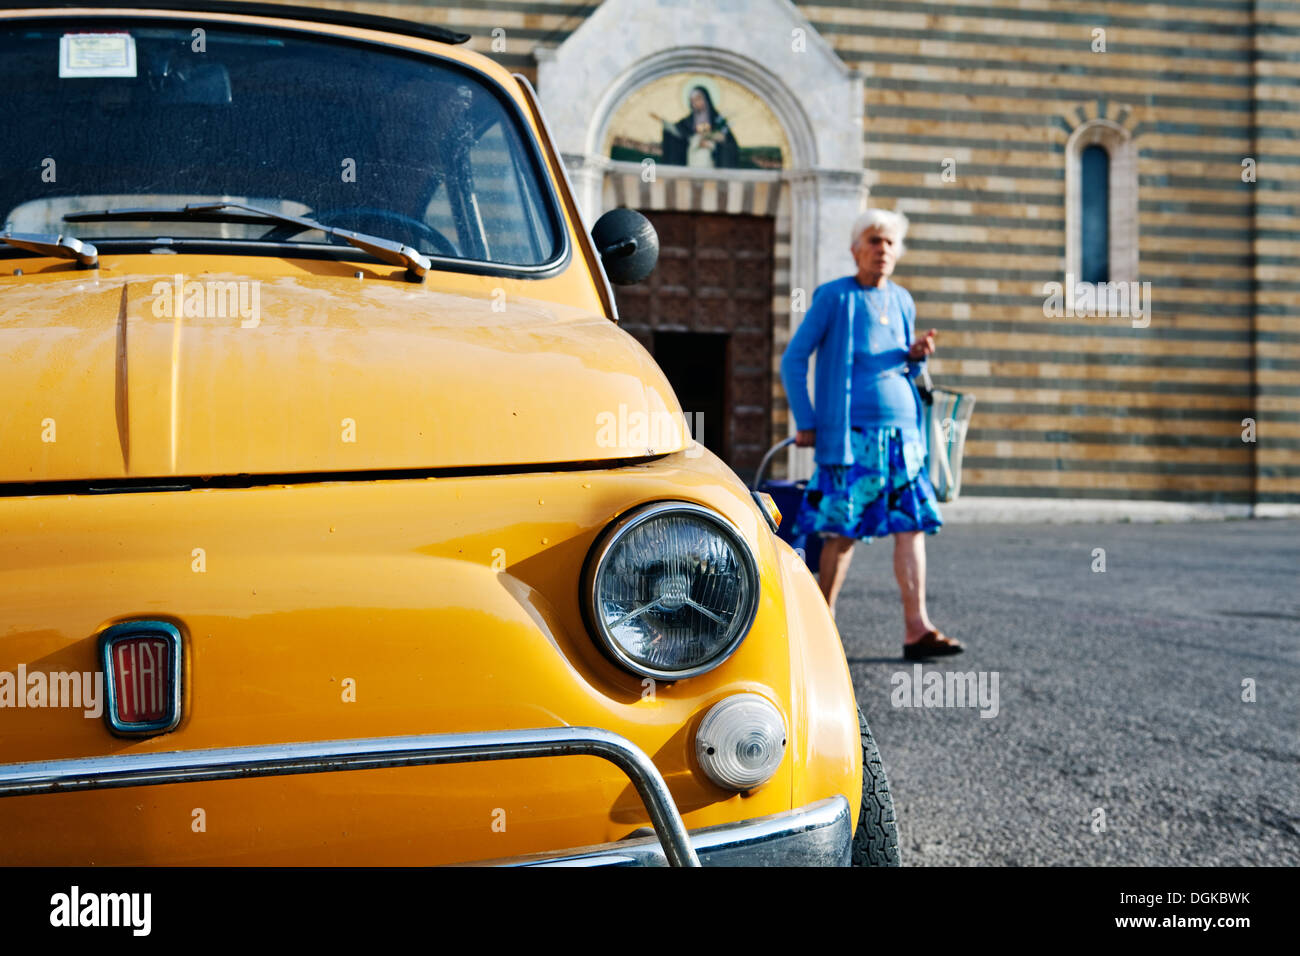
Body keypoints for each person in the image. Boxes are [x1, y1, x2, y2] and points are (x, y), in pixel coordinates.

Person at [779, 208, 963, 660]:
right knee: (840, 533)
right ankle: (822, 631)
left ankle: (917, 629)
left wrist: (917, 355)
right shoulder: (833, 298)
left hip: (904, 438)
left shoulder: (902, 300)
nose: (883, 250)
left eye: (890, 243)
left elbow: (902, 364)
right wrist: (807, 420)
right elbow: (793, 360)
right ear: (855, 249)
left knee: (912, 527)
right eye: (874, 241)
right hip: (850, 438)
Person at [652, 85, 739, 168]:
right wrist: (663, 122)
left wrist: (713, 140)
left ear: (706, 99)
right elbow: (678, 132)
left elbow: (729, 142)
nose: (696, 103)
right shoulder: (688, 121)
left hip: (711, 161)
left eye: (698, 99)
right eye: (693, 101)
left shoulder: (717, 119)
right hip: (693, 158)